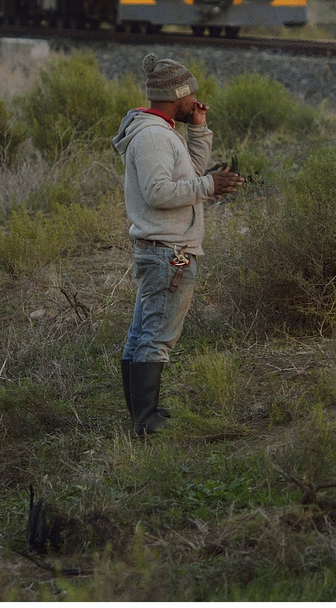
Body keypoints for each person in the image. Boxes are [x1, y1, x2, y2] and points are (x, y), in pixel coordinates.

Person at [113, 54, 243, 435]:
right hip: (169, 254)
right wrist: (209, 187)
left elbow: (189, 170)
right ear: (176, 95)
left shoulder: (160, 129)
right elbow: (158, 192)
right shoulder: (154, 136)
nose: (196, 102)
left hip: (161, 251)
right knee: (155, 337)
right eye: (192, 98)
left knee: (143, 333)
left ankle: (142, 414)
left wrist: (199, 130)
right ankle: (146, 421)